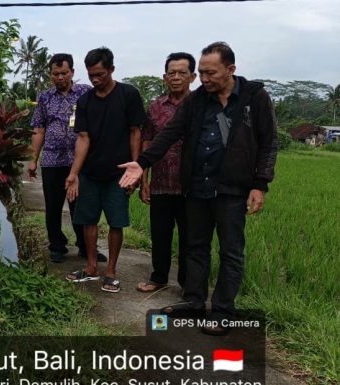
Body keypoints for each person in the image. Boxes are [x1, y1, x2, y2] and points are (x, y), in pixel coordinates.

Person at [118, 42, 277, 335]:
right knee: (195, 247)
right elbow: (170, 133)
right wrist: (142, 163)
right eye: (201, 73)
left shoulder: (255, 97)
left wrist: (260, 184)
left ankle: (222, 311)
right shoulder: (197, 100)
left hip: (232, 189)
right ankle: (193, 301)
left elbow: (268, 143)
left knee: (231, 251)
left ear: (231, 69)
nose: (203, 79)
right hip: (197, 187)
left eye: (210, 73)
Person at [63, 47, 146, 293]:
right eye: (91, 75)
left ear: (111, 69)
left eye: (100, 74)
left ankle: (110, 271)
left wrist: (136, 170)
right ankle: (91, 267)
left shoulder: (128, 95)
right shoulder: (85, 100)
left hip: (118, 174)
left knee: (115, 222)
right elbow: (83, 139)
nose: (95, 80)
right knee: (88, 220)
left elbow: (136, 133)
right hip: (90, 172)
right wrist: (74, 173)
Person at [28, 53, 107, 263]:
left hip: (80, 162)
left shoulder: (85, 93)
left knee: (81, 206)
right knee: (53, 206)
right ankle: (57, 246)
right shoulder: (45, 97)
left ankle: (85, 246)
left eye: (64, 73)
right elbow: (39, 129)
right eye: (55, 74)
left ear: (72, 72)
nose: (60, 77)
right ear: (50, 75)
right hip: (52, 161)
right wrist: (33, 158)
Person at [136, 52, 197, 294]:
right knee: (160, 234)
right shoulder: (155, 107)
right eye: (172, 73)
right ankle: (159, 277)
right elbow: (147, 143)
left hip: (190, 186)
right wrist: (144, 180)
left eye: (182, 72)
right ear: (164, 77)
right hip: (161, 182)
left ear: (193, 77)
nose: (176, 77)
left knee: (189, 238)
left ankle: (186, 283)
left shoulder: (200, 105)